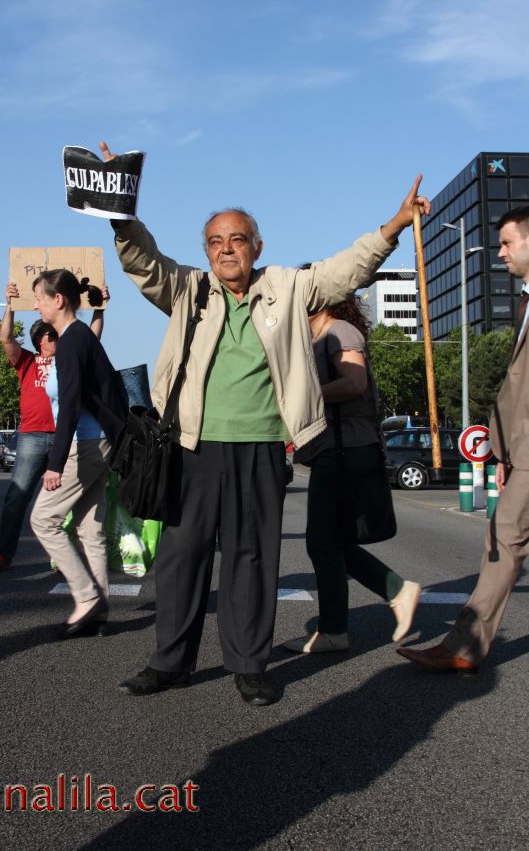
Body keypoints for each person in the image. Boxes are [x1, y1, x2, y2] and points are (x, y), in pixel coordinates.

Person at [102, 138, 430, 705]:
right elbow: (142, 262)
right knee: (181, 559)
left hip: (259, 447)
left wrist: (395, 224)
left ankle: (249, 664)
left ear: (257, 246)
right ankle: (169, 662)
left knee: (253, 558)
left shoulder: (286, 287)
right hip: (189, 446)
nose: (226, 249)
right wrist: (120, 211)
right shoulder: (188, 290)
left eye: (236, 239)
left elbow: (341, 272)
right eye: (215, 241)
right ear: (205, 251)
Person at [397, 205, 529, 672]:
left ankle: (464, 646)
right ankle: (464, 646)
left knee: (504, 539)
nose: (500, 253)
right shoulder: (525, 301)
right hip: (521, 450)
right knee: (503, 540)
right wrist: (503, 446)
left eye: (508, 243)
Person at [283, 293, 421, 655]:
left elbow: (354, 383)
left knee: (320, 540)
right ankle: (395, 591)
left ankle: (335, 629)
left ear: (319, 301)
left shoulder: (339, 331)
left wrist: (305, 397)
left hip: (345, 449)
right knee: (334, 541)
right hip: (338, 449)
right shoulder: (320, 337)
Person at [29, 270, 128, 639]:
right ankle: (99, 613)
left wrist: (55, 464)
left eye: (39, 296)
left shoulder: (72, 340)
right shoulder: (80, 335)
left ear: (59, 300)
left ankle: (86, 598)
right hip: (101, 441)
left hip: (85, 443)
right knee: (90, 531)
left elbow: (69, 405)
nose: (35, 304)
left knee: (43, 520)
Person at [0, 281, 109, 573]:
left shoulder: (71, 356)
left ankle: (66, 556)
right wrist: (10, 306)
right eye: (50, 336)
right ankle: (5, 552)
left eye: (56, 335)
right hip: (33, 436)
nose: (56, 339)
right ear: (40, 340)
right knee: (18, 494)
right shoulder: (27, 362)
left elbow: (92, 336)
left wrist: (100, 308)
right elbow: (5, 339)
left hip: (71, 437)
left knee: (71, 504)